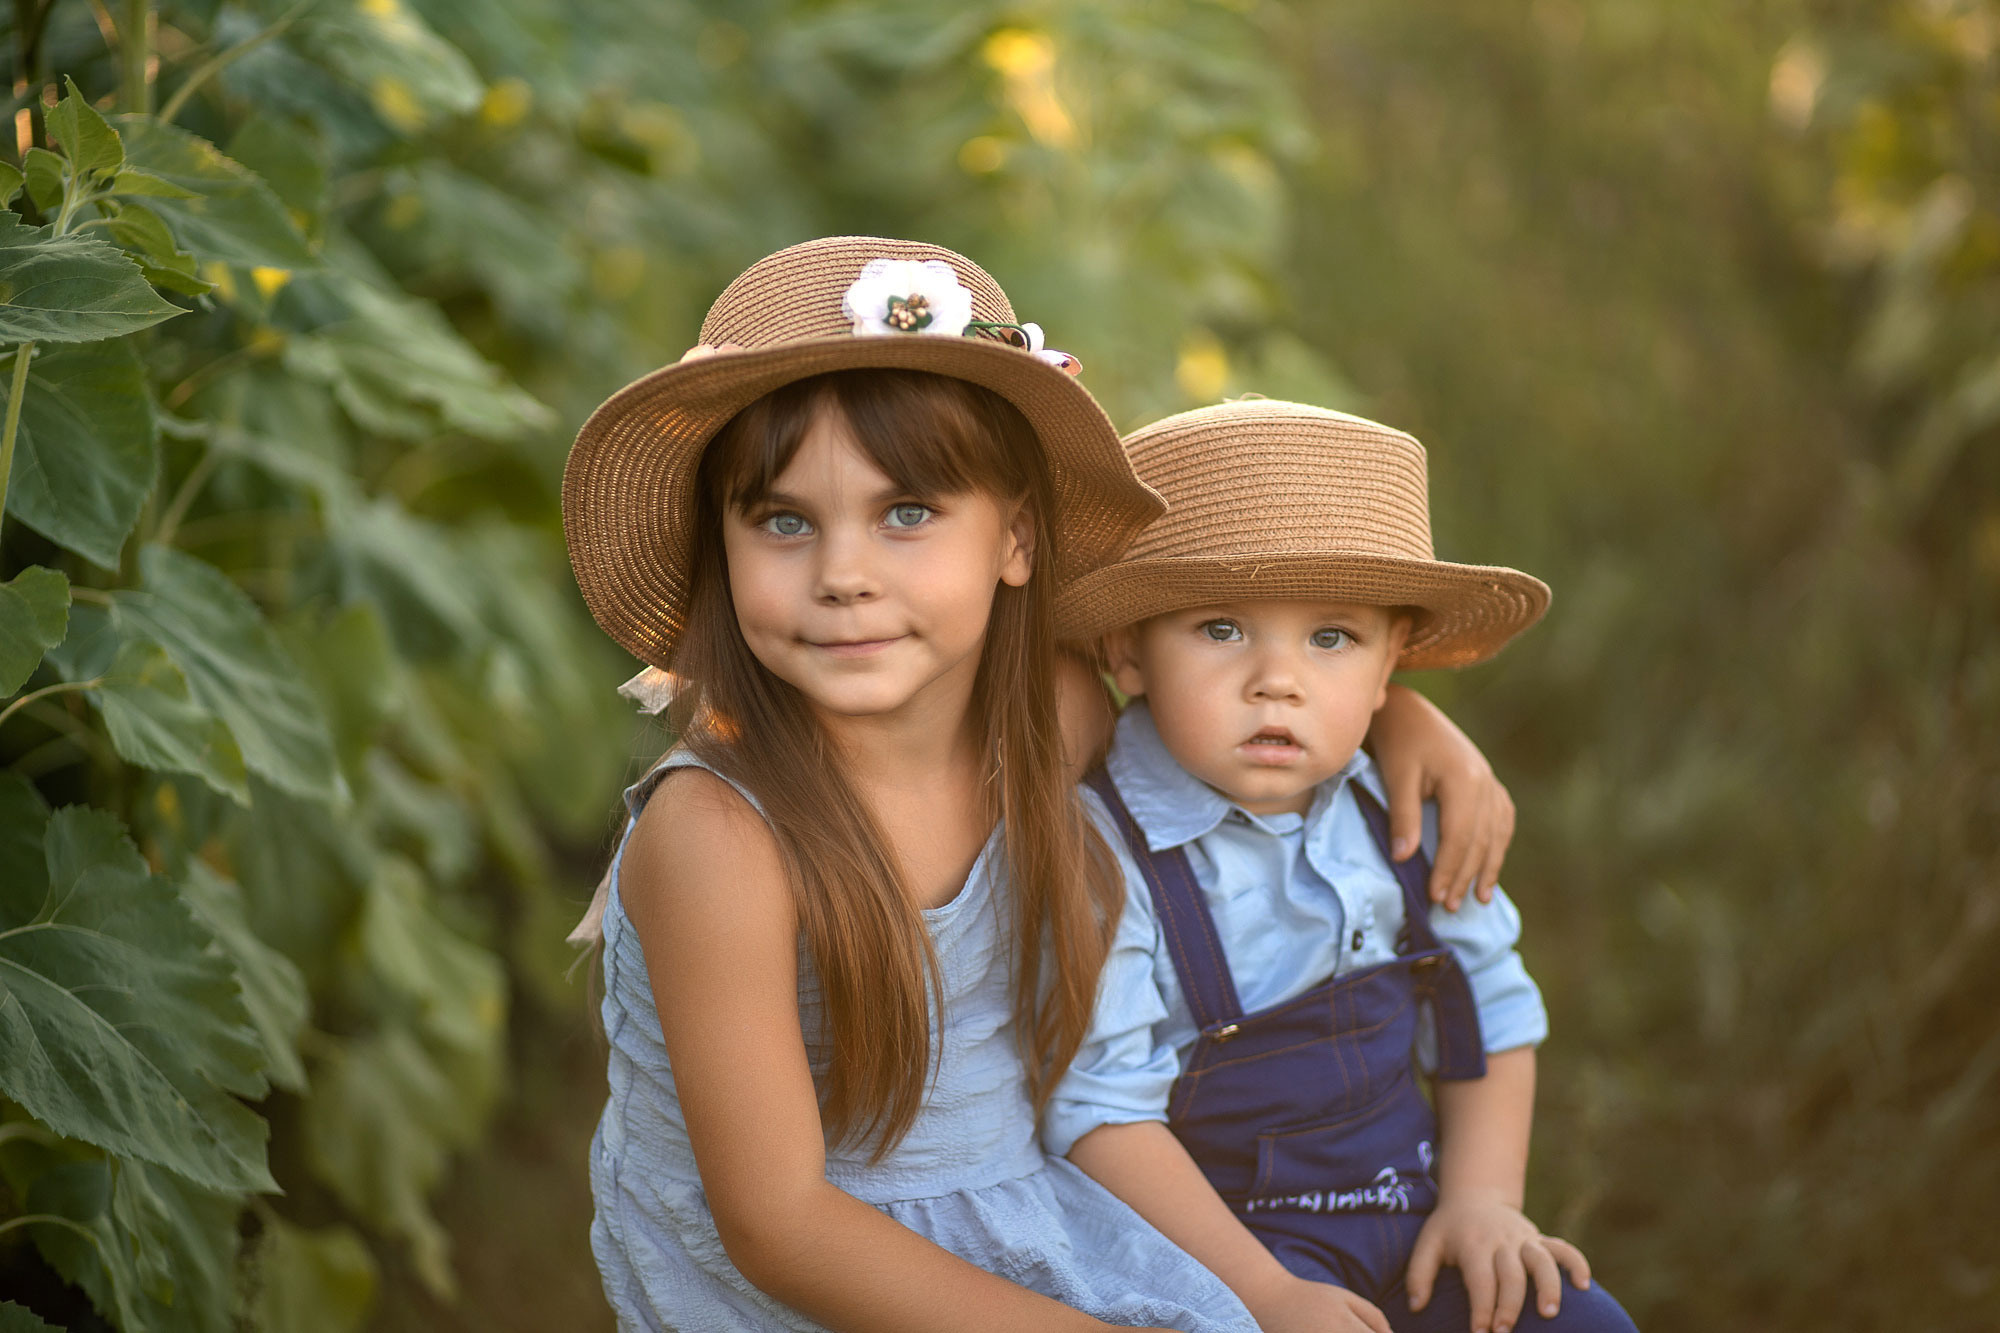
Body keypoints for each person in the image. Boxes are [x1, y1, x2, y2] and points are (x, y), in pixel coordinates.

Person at [564, 239, 1518, 1331]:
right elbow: (778, 1225)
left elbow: (1226, 696)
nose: (841, 573)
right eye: (783, 520)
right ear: (720, 549)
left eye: (906, 513)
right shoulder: (719, 837)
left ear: (1014, 537)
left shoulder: (1046, 719)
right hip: (807, 1285)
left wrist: (1397, 711)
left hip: (1019, 1213)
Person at [1044, 400, 1640, 1333]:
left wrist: (1483, 1199)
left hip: (1413, 1212)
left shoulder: (1406, 813)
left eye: (1332, 638)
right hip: (1212, 1244)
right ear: (1127, 646)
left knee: (1577, 1322)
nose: (1276, 679)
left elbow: (1490, 1006)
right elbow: (1100, 1113)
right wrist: (1265, 1293)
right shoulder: (1100, 853)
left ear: (1391, 661)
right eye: (1220, 628)